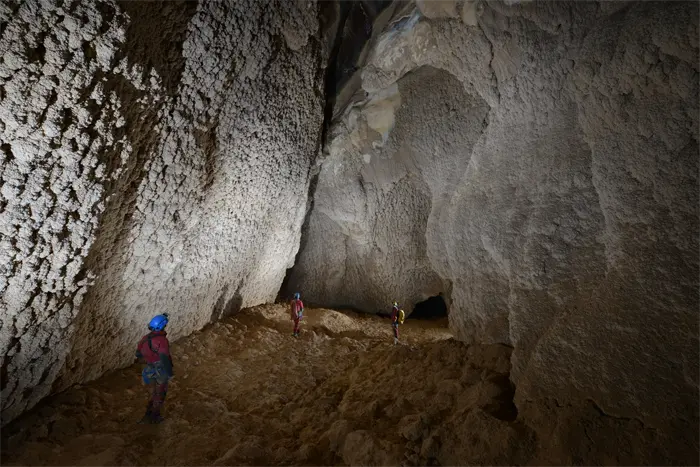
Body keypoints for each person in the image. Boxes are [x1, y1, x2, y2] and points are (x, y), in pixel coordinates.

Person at [136, 313, 174, 424]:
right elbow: (164, 358)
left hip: (148, 368)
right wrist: (170, 373)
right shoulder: (162, 341)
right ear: (163, 326)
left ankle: (147, 413)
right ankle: (154, 416)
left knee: (152, 392)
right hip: (160, 369)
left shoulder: (145, 338)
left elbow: (138, 354)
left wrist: (149, 357)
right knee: (160, 393)